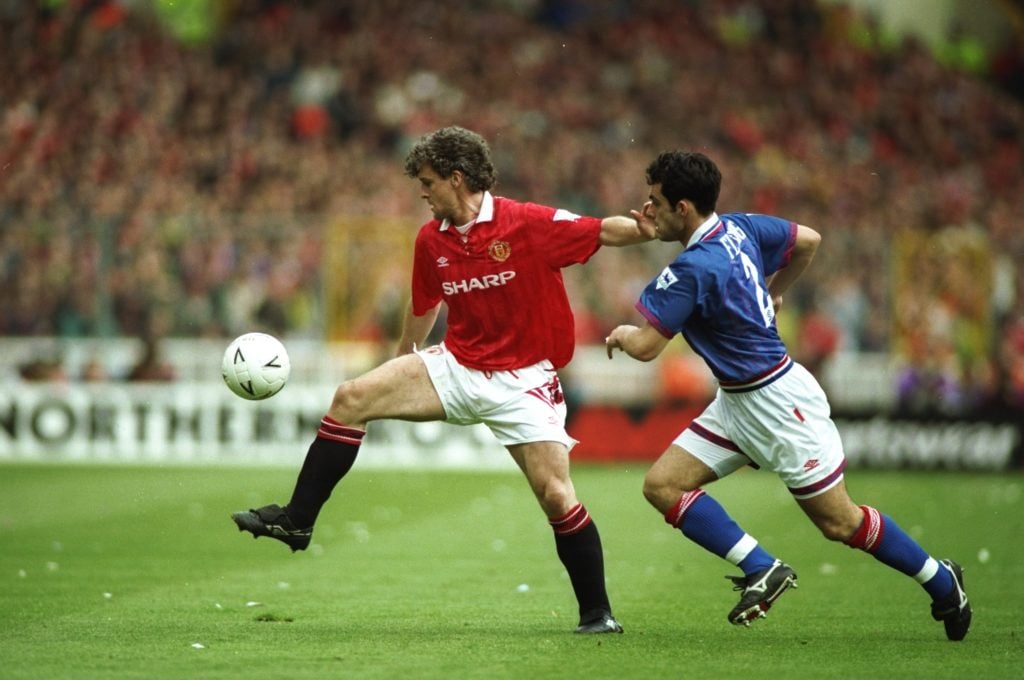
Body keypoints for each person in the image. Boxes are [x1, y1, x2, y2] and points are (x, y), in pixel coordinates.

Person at [232, 126, 655, 634]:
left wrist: (649, 229)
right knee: (351, 397)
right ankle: (298, 519)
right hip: (456, 365)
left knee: (557, 496)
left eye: (429, 182)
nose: (423, 192)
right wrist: (401, 361)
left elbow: (602, 230)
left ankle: (597, 614)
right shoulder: (431, 238)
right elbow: (425, 302)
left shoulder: (526, 223)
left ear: (458, 179)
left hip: (523, 381)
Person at [604, 151, 971, 641]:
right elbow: (808, 241)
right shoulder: (740, 228)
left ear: (684, 208)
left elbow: (647, 348)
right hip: (738, 401)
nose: (646, 210)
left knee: (841, 524)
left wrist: (623, 333)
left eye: (654, 202)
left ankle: (942, 580)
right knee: (663, 486)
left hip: (778, 404)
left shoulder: (692, 268)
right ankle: (761, 567)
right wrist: (776, 290)